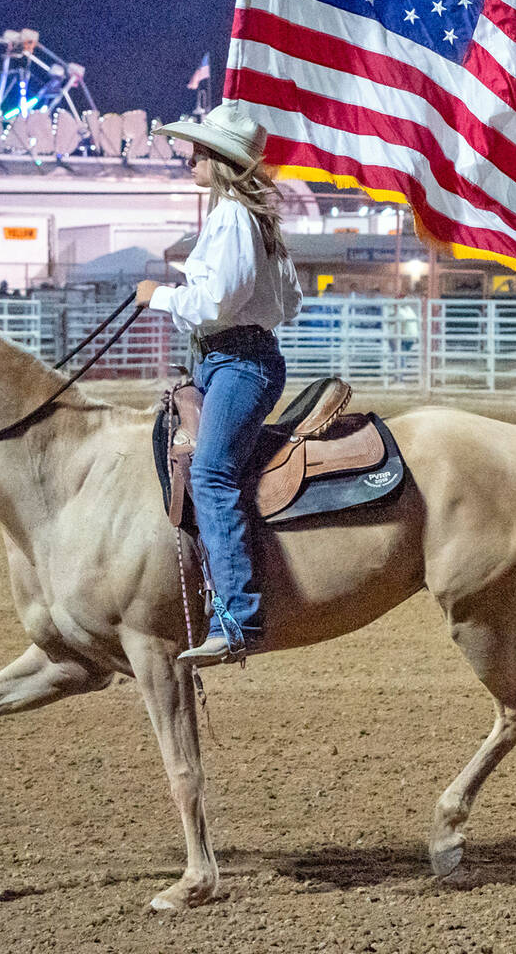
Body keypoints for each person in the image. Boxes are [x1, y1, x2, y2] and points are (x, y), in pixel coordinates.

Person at [135, 104, 302, 667]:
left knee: (209, 472)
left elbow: (214, 303)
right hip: (232, 360)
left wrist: (159, 296)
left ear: (221, 161)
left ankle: (237, 618)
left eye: (199, 152)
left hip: (238, 364)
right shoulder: (249, 218)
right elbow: (290, 301)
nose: (190, 158)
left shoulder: (231, 217)